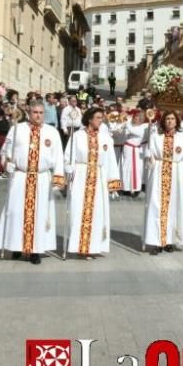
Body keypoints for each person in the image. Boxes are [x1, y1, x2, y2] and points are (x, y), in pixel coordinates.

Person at [0, 100, 65, 264]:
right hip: (20, 177)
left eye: (41, 113)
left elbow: (58, 156)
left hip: (41, 178)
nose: (38, 116)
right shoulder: (17, 129)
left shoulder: (52, 132)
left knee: (40, 214)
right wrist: (7, 163)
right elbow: (6, 151)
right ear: (29, 113)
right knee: (16, 212)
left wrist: (58, 179)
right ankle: (16, 246)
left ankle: (35, 250)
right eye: (35, 112)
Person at [64, 107, 121, 258]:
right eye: (97, 117)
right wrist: (68, 168)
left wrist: (112, 182)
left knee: (97, 213)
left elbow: (111, 161)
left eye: (102, 118)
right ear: (89, 119)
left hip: (99, 178)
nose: (100, 120)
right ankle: (79, 246)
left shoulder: (106, 138)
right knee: (78, 211)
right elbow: (68, 156)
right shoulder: (77, 136)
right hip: (81, 176)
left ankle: (93, 246)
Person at [143, 111, 183, 254]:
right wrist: (148, 157)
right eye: (167, 119)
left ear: (177, 121)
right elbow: (149, 153)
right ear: (163, 121)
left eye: (172, 119)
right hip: (158, 171)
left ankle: (170, 240)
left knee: (174, 206)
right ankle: (156, 241)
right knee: (155, 205)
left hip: (175, 173)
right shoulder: (155, 136)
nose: (170, 121)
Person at [120, 111, 148, 196]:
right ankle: (125, 188)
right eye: (135, 116)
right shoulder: (129, 125)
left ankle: (135, 188)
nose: (135, 118)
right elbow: (123, 134)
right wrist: (123, 126)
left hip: (136, 149)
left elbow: (136, 132)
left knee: (136, 169)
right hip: (128, 148)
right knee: (126, 167)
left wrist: (127, 121)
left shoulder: (143, 127)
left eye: (137, 116)